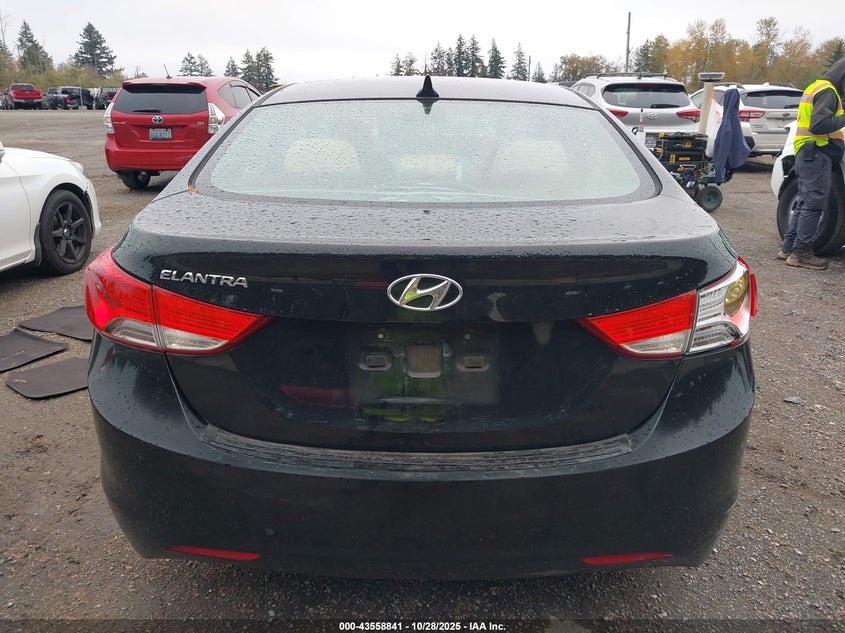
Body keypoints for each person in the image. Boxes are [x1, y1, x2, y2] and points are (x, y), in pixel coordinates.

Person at [779, 58, 845, 270]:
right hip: (817, 152)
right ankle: (801, 254)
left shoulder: (816, 87)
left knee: (805, 203)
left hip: (807, 153)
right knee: (814, 204)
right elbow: (819, 124)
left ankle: (788, 248)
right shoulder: (828, 92)